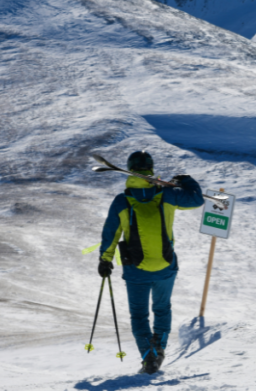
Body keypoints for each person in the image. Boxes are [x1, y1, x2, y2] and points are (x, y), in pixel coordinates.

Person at [98, 150, 205, 374]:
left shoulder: (122, 200)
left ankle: (148, 357)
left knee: (139, 315)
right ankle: (160, 349)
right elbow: (196, 199)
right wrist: (185, 180)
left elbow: (111, 233)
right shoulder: (168, 194)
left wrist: (105, 260)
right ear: (151, 169)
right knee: (162, 309)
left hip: (135, 270)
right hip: (165, 267)